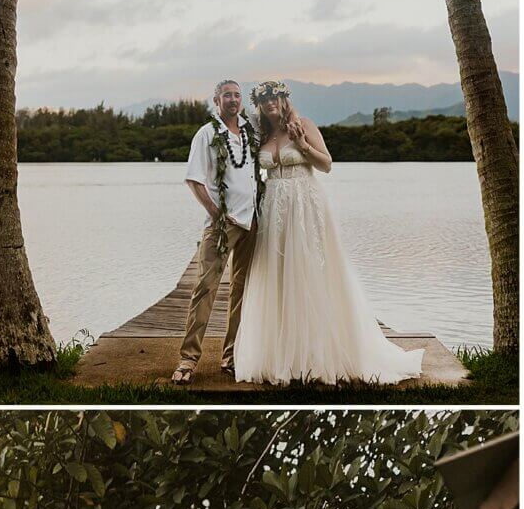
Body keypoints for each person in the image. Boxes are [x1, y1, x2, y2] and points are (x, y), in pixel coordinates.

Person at [232, 80, 425, 387]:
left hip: (305, 205)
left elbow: (326, 164)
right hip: (274, 209)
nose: (270, 102)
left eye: (274, 96)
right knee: (278, 277)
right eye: (265, 98)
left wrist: (303, 145)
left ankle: (318, 353)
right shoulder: (262, 136)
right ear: (260, 104)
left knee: (310, 273)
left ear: (283, 99)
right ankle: (283, 354)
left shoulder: (303, 124)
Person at [172, 78, 259, 386]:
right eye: (227, 95)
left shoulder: (250, 132)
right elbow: (194, 180)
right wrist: (215, 213)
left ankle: (231, 355)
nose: (233, 100)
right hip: (222, 226)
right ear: (217, 101)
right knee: (205, 288)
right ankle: (188, 358)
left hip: (252, 223)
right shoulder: (207, 134)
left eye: (237, 95)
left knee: (241, 290)